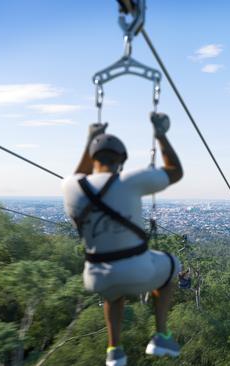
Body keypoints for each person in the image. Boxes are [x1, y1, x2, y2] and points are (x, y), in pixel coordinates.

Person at [62, 112, 183, 366]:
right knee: (173, 264)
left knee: (112, 292)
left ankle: (114, 350)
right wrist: (160, 134)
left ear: (92, 159)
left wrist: (90, 141)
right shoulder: (129, 180)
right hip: (136, 273)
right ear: (121, 161)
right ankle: (161, 335)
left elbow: (78, 176)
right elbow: (175, 171)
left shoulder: (70, 187)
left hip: (95, 277)